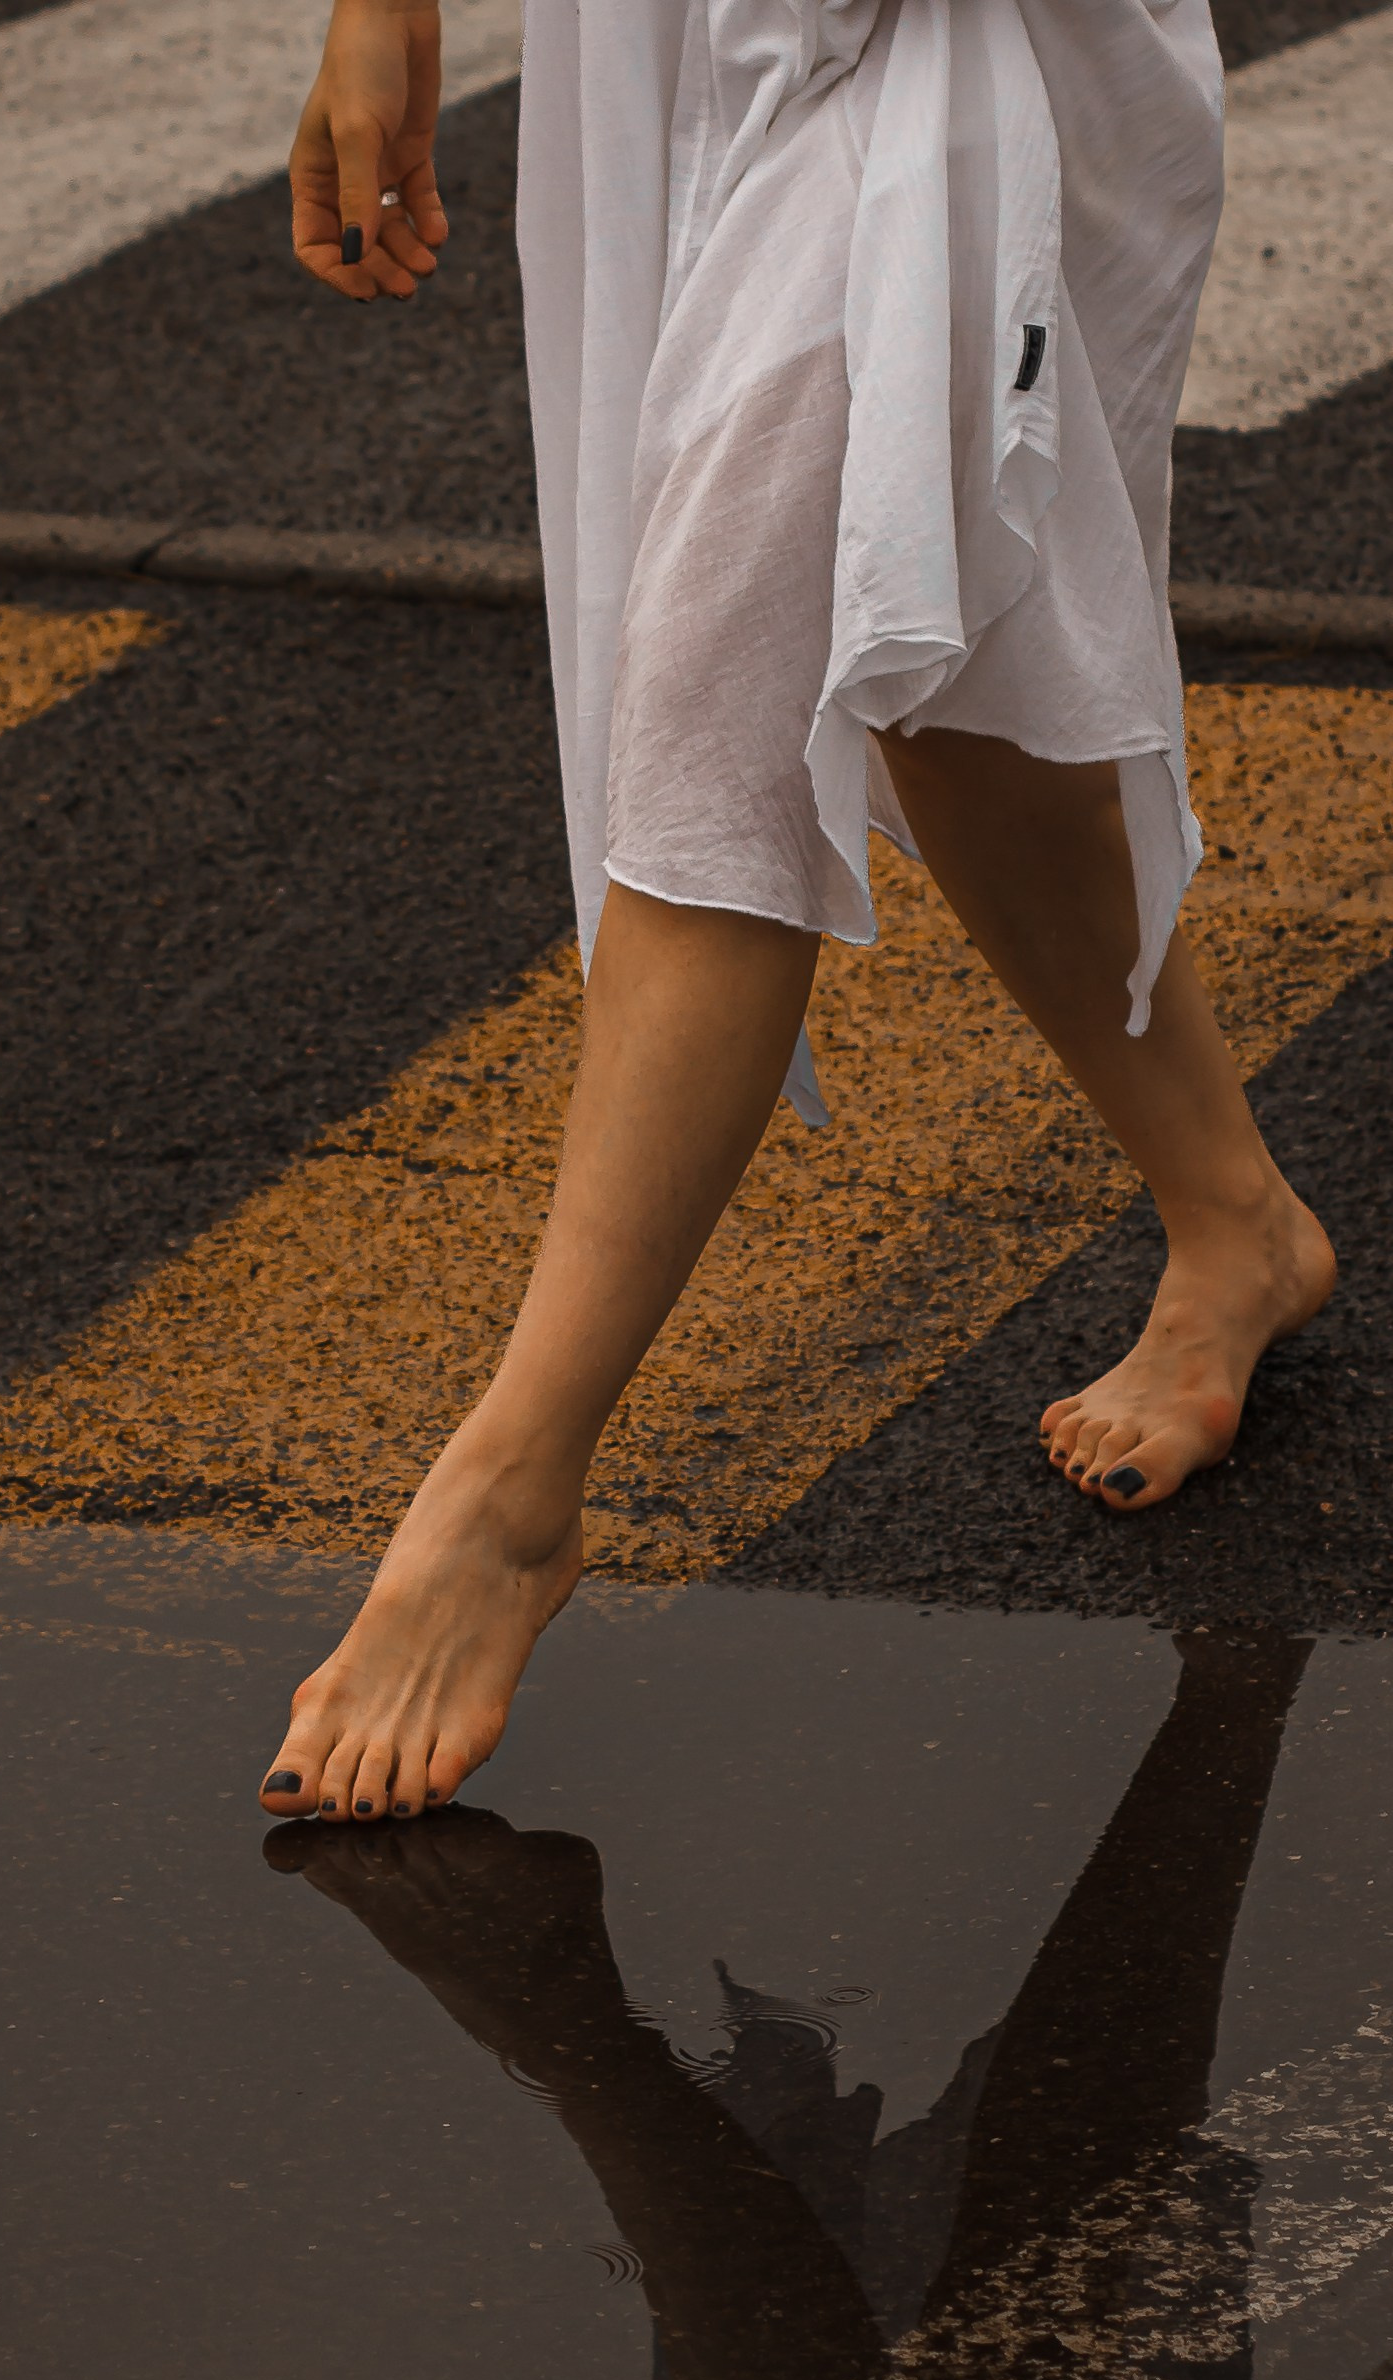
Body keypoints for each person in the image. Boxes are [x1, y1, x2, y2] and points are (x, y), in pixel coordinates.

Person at [260, 0, 1333, 1825]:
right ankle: (1238, 1215)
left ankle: (511, 1495)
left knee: (741, 681)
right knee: (946, 669)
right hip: (692, 36)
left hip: (935, 42)